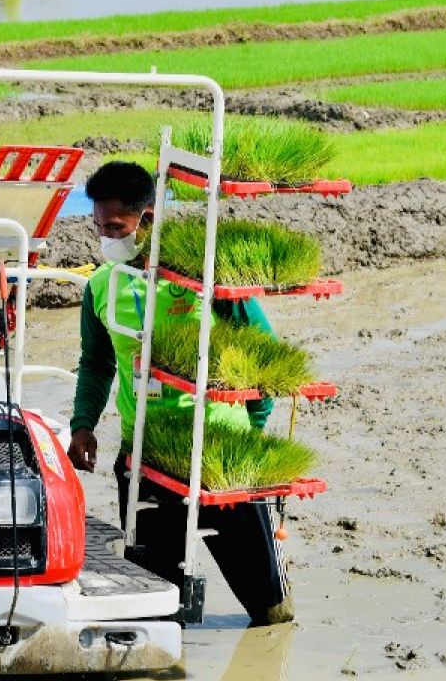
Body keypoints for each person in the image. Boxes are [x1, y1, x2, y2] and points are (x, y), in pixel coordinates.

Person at [67, 160, 290, 626]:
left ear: (147, 219)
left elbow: (265, 356)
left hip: (221, 461)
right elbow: (97, 363)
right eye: (100, 226)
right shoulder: (102, 286)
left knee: (269, 610)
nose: (107, 237)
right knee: (154, 610)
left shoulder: (205, 277)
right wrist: (83, 424)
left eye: (116, 227)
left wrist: (250, 433)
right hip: (146, 457)